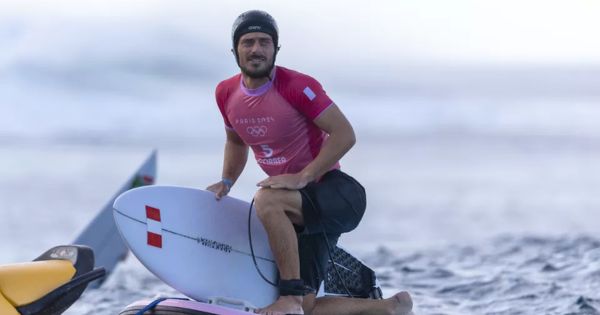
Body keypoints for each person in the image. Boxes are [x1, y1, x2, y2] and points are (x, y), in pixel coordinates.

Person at [207, 10, 414, 315]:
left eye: (264, 42)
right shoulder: (226, 93)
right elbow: (236, 140)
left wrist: (303, 176)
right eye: (248, 42)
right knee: (308, 308)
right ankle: (390, 307)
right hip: (299, 209)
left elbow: (345, 134)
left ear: (275, 49)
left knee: (266, 201)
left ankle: (289, 295)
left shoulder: (296, 85)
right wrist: (226, 181)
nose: (256, 49)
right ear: (235, 50)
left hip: (335, 193)